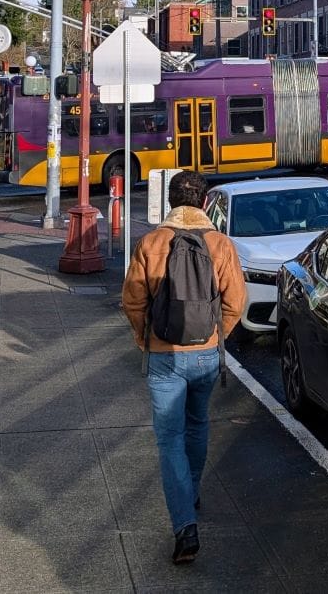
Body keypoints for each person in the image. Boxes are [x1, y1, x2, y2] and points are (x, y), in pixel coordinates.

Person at [122, 170, 247, 566]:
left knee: (169, 439)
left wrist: (145, 339)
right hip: (207, 355)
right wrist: (215, 335)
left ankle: (184, 526)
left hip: (164, 356)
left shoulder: (151, 242)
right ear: (204, 202)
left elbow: (133, 301)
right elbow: (235, 302)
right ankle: (190, 492)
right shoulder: (220, 244)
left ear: (172, 203)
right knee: (198, 424)